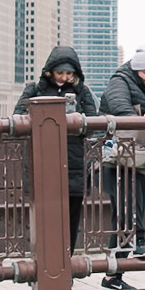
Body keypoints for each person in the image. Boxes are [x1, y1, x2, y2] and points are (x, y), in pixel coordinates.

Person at [15, 46, 98, 250]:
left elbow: (93, 124)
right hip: (44, 160)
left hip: (73, 162)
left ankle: (65, 262)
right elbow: (18, 118)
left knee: (71, 217)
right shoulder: (34, 89)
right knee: (45, 217)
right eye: (60, 73)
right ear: (49, 71)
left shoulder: (82, 92)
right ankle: (47, 262)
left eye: (69, 73)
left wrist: (75, 120)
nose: (64, 78)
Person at [100, 47, 145, 282]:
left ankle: (114, 274)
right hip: (117, 159)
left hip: (141, 157)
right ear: (135, 69)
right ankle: (138, 244)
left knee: (134, 208)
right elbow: (122, 111)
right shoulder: (119, 82)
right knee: (124, 211)